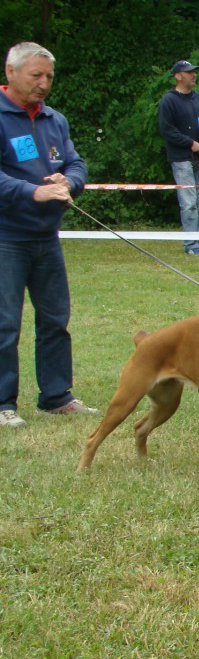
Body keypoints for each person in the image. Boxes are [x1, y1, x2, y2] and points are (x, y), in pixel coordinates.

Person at [0, 42, 99, 429]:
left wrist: (67, 181)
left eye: (49, 77)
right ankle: (3, 403)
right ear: (11, 73)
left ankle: (56, 396)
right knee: (5, 323)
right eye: (36, 75)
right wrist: (32, 191)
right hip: (7, 236)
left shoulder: (54, 119)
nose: (44, 84)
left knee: (56, 318)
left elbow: (76, 162)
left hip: (47, 237)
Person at [158, 60, 199, 256]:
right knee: (188, 202)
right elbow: (167, 130)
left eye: (194, 72)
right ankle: (191, 244)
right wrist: (189, 143)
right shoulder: (169, 101)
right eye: (188, 72)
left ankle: (196, 241)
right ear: (178, 76)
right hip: (181, 158)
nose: (193, 75)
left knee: (198, 203)